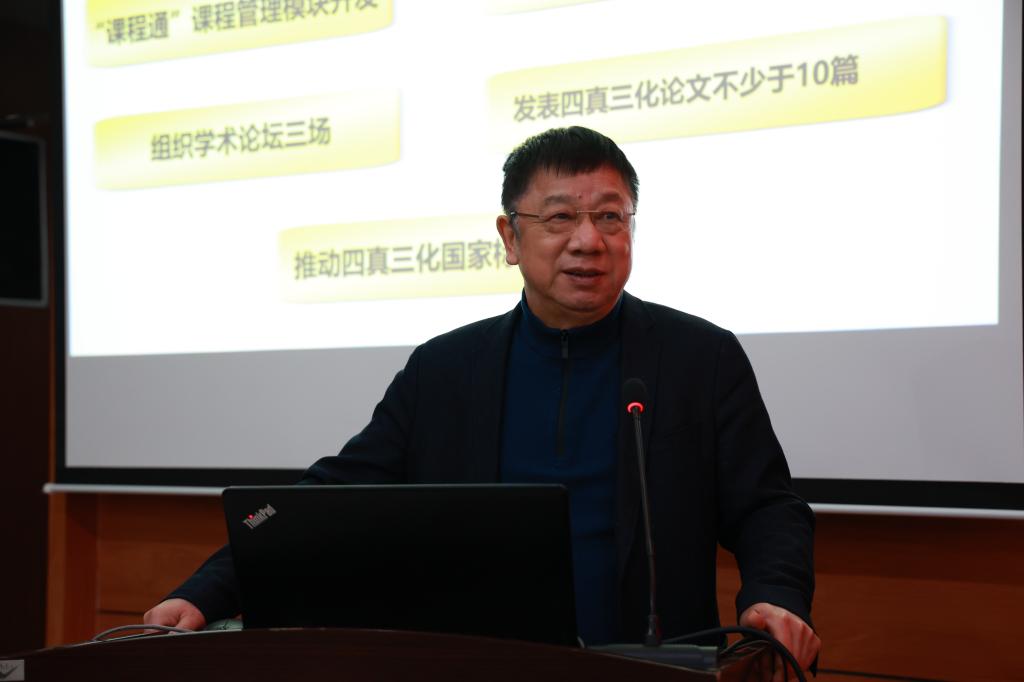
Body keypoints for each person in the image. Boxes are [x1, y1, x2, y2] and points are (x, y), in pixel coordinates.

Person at [145, 126, 821, 670]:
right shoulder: (446, 370)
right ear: (509, 237)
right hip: (480, 666)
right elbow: (332, 495)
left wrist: (774, 596)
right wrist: (208, 591)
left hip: (653, 666)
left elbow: (766, 506)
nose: (589, 240)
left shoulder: (699, 358)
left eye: (611, 217)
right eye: (561, 217)